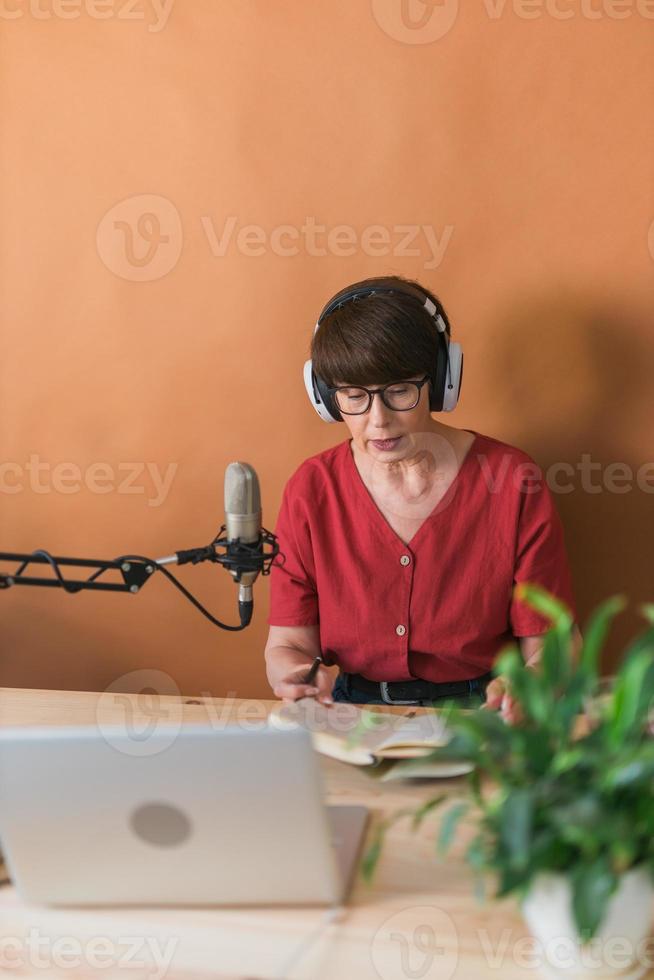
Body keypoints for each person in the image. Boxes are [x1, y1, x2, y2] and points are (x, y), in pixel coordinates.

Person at [264, 275, 581, 722]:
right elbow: (287, 645)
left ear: (440, 380)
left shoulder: (512, 480)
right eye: (354, 397)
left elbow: (556, 647)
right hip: (351, 715)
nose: (378, 421)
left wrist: (527, 684)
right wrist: (294, 674)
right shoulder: (311, 488)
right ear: (326, 398)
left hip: (483, 716)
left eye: (399, 392)